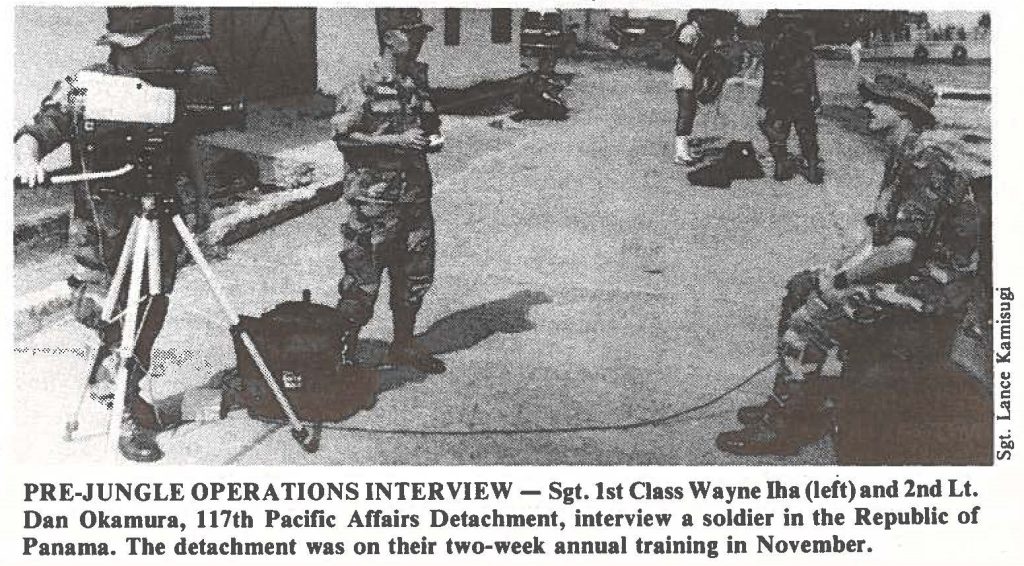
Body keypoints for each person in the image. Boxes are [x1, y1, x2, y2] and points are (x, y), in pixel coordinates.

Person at [716, 73, 987, 456]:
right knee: (802, 287)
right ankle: (795, 400)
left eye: (879, 102)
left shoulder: (928, 162)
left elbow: (901, 252)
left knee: (808, 321)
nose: (867, 107)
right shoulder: (903, 153)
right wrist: (833, 272)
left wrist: (842, 280)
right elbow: (878, 234)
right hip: (908, 274)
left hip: (932, 288)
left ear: (906, 111)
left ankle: (785, 428)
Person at [14, 7, 211, 462]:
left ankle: (125, 387)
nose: (170, 46)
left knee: (150, 308)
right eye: (163, 37)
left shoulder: (170, 87)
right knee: (105, 314)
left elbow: (187, 147)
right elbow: (37, 130)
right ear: (134, 42)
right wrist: (29, 160)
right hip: (104, 226)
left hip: (159, 216)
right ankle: (119, 404)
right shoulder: (85, 85)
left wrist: (203, 200)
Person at [332, 9, 447, 375]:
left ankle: (403, 345)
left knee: (414, 277)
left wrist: (431, 140)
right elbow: (343, 137)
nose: (419, 41)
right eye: (411, 35)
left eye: (422, 35)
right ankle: (343, 356)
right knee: (361, 283)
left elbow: (428, 126)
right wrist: (397, 139)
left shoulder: (415, 82)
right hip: (374, 203)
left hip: (414, 199)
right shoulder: (364, 83)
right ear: (388, 39)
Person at [758, 18, 823, 184]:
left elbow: (767, 75)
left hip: (779, 94)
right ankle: (813, 169)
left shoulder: (773, 48)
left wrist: (764, 96)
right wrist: (815, 95)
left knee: (778, 131)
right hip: (800, 94)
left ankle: (780, 167)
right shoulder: (804, 50)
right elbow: (810, 74)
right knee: (807, 132)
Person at [671, 10, 709, 166]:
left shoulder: (699, 32)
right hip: (685, 73)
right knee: (686, 112)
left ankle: (684, 149)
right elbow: (683, 53)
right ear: (696, 17)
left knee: (691, 111)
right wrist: (700, 64)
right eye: (704, 15)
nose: (706, 18)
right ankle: (680, 153)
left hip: (692, 74)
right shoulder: (689, 31)